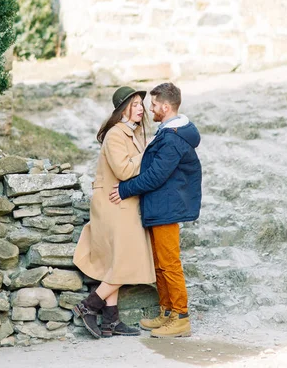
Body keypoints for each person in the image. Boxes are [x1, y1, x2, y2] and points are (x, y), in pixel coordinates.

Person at [109, 82, 202, 338]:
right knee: (160, 264)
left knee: (170, 264)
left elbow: (155, 176)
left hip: (167, 207)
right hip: (159, 206)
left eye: (153, 104)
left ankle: (181, 317)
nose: (150, 109)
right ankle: (167, 312)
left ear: (165, 106)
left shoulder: (172, 139)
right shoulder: (167, 133)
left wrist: (125, 190)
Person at [73, 86, 156, 339]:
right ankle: (88, 305)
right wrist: (147, 152)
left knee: (115, 261)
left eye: (141, 103)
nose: (141, 108)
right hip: (113, 205)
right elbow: (123, 170)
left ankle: (110, 321)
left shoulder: (131, 134)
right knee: (126, 261)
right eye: (135, 104)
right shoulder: (116, 135)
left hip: (123, 205)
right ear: (123, 109)